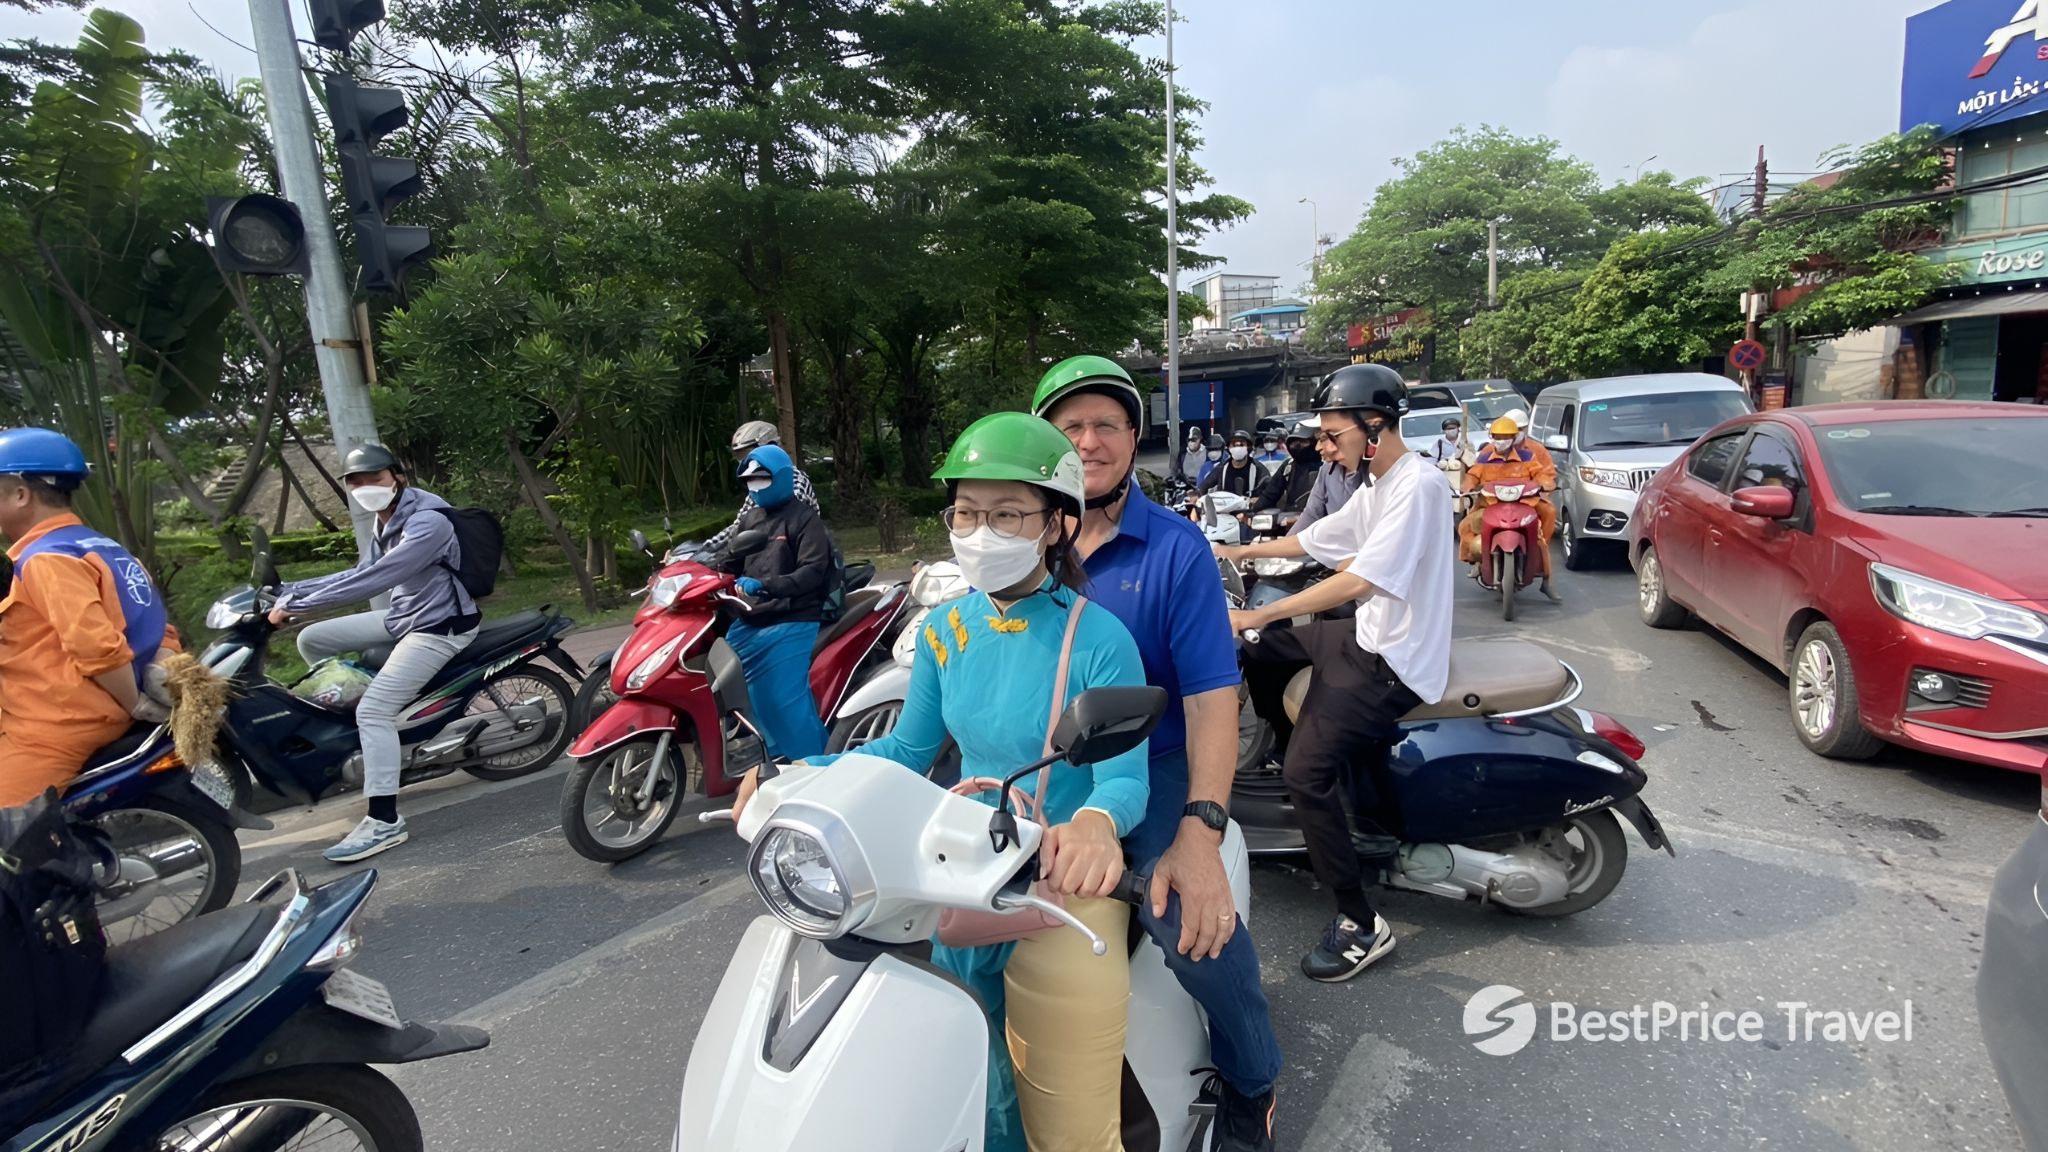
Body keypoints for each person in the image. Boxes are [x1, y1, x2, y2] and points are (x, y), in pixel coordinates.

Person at [737, 411, 1149, 1152]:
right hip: (963, 873)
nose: (979, 530)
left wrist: (1095, 825)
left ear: (1056, 524)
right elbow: (907, 749)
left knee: (1071, 1126)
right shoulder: (945, 629)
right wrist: (800, 771)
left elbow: (1122, 775)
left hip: (1065, 887)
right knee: (968, 1077)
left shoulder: (1099, 637)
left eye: (1006, 514)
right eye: (966, 511)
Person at [1033, 355, 1284, 1152]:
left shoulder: (1176, 551)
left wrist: (1201, 831)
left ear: (1134, 438)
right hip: (1039, 768)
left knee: (1194, 927)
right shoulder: (1020, 538)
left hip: (1157, 763)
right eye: (1070, 426)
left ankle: (1254, 1081)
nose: (1089, 440)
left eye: (1106, 423)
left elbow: (1213, 698)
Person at [1215, 364, 1455, 982]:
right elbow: (1319, 538)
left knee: (1306, 772)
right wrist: (1236, 551)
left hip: (1392, 660)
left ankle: (1360, 923)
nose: (1322, 446)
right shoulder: (1376, 483)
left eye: (1332, 434)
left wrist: (1258, 612)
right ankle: (1304, 754)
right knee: (1264, 652)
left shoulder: (1417, 486)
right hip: (1365, 634)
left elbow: (1359, 579)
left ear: (1373, 428)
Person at [268, 444, 479, 861]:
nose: (366, 487)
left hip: (439, 628)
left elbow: (379, 578)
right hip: (404, 617)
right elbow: (360, 571)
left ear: (397, 477)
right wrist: (288, 591)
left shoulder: (428, 522)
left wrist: (297, 606)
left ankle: (384, 821)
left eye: (375, 477)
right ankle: (359, 728)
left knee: (374, 712)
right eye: (356, 481)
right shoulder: (388, 519)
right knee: (312, 640)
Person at [0, 428, 173, 807]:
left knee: (7, 834)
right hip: (84, 713)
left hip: (53, 726)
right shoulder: (103, 547)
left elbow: (96, 647)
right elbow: (156, 625)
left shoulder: (45, 560)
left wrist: (135, 703)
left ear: (20, 494)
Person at [723, 444, 834, 761]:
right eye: (749, 480)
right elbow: (729, 558)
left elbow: (812, 571)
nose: (755, 486)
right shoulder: (751, 518)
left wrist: (766, 586)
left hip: (793, 618)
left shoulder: (804, 519)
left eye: (762, 478)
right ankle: (775, 753)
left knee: (783, 701)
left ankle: (818, 764)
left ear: (783, 477)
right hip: (748, 619)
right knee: (740, 693)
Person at [1460, 416, 1561, 602]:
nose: (1501, 441)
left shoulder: (1528, 455)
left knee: (1547, 517)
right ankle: (1475, 560)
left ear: (1514, 437)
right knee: (1466, 526)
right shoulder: (1485, 456)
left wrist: (1545, 485)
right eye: (1497, 437)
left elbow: (1541, 474)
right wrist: (1467, 488)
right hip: (1490, 503)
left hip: (1524, 502)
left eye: (1505, 437)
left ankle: (1546, 578)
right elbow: (1472, 475)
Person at [703, 420, 817, 553]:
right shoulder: (760, 486)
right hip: (765, 556)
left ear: (770, 446)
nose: (745, 460)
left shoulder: (794, 481)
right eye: (740, 455)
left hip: (795, 558)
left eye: (748, 453)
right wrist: (704, 550)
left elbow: (777, 523)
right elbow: (739, 526)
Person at [1250, 421, 1321, 518]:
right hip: (1289, 518)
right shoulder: (1288, 466)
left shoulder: (1326, 466)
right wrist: (1252, 512)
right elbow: (1269, 495)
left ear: (1314, 443)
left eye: (1303, 442)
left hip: (1318, 520)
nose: (1297, 446)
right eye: (1294, 442)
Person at [1198, 429, 1269, 500]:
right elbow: (1204, 486)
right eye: (1234, 445)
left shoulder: (1258, 469)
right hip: (1225, 508)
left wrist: (1259, 499)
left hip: (1249, 509)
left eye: (1241, 444)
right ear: (1228, 448)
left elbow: (1269, 489)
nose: (1237, 448)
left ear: (1248, 447)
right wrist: (1197, 496)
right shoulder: (1222, 468)